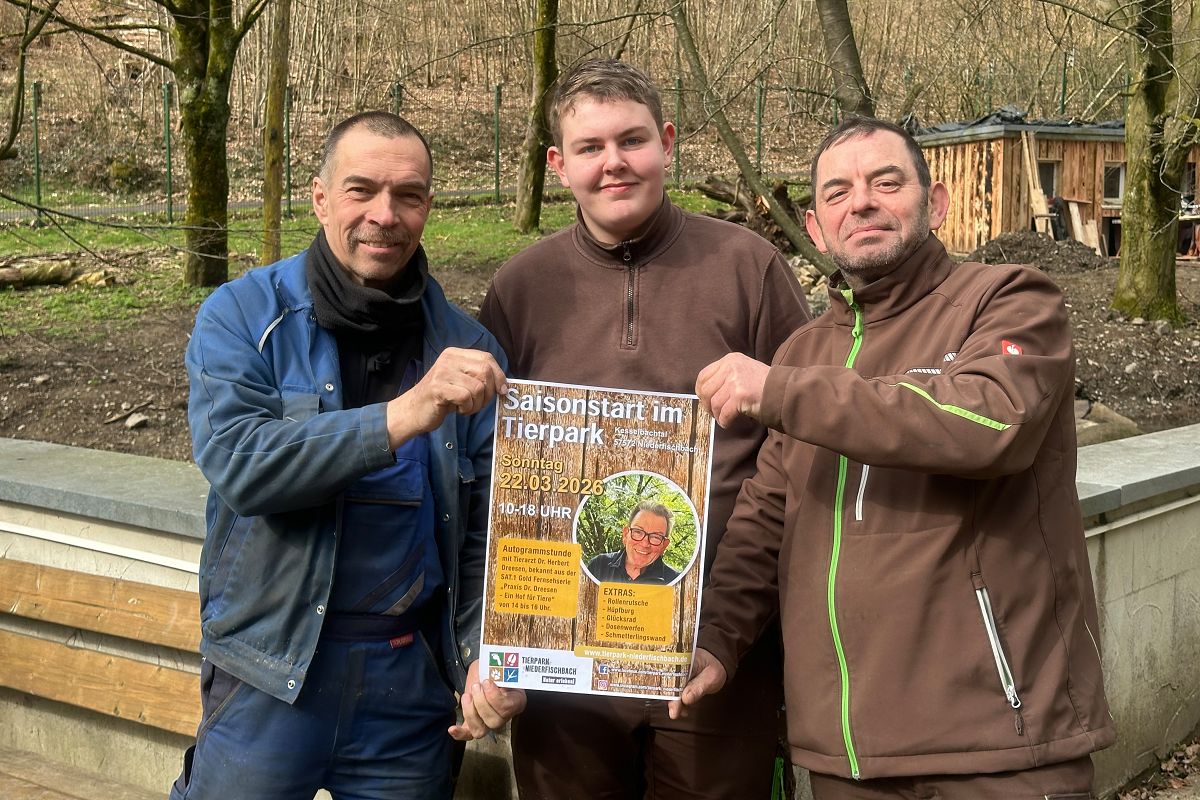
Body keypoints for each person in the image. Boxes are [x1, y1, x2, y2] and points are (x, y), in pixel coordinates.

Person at [676, 116, 1115, 798]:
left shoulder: (1009, 301)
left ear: (934, 204)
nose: (863, 202)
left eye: (887, 182)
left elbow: (987, 420)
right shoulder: (804, 351)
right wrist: (716, 641)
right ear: (817, 227)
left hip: (998, 747)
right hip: (846, 757)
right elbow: (765, 523)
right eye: (838, 191)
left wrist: (782, 390)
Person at [478, 59, 811, 800]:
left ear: (666, 144)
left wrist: (733, 623)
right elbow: (494, 469)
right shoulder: (521, 287)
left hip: (715, 651)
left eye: (631, 140)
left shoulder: (747, 266)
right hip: (562, 659)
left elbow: (803, 433)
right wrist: (494, 640)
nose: (614, 163)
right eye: (591, 147)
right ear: (559, 165)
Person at [173, 111, 525, 800]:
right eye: (361, 190)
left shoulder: (470, 352)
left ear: (429, 206)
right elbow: (242, 463)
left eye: (409, 196)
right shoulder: (243, 317)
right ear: (320, 198)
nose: (384, 216)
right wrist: (404, 415)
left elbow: (491, 534)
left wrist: (489, 654)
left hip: (407, 687)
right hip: (268, 674)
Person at [587, 500, 679, 584]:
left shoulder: (675, 581)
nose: (645, 544)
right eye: (638, 532)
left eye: (655, 537)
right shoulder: (598, 566)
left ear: (664, 545)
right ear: (625, 534)